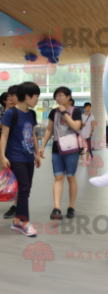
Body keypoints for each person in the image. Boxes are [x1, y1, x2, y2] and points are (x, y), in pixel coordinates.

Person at [1, 82, 41, 237]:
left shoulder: (32, 114)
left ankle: (17, 221)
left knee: (25, 190)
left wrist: (37, 154)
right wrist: (3, 156)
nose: (37, 99)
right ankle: (25, 223)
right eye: (36, 96)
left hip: (28, 157)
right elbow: (3, 136)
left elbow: (32, 135)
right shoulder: (11, 113)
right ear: (27, 96)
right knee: (24, 190)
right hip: (15, 157)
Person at [40, 86, 82, 220]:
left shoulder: (75, 111)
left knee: (70, 177)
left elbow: (76, 127)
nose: (58, 98)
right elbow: (49, 130)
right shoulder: (53, 112)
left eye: (61, 95)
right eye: (56, 96)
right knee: (58, 178)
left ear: (68, 97)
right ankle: (57, 208)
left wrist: (65, 113)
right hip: (57, 150)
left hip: (72, 150)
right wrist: (42, 146)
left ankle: (71, 207)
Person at [2, 89, 19, 219]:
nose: (11, 99)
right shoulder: (4, 113)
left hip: (14, 149)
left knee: (15, 176)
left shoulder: (19, 112)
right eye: (9, 97)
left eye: (12, 96)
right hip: (3, 147)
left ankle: (15, 205)